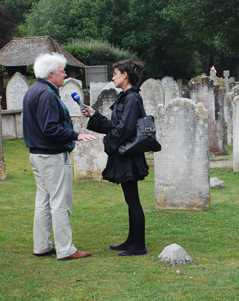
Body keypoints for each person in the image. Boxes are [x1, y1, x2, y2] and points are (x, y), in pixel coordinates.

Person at [23, 53, 96, 261]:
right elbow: (49, 128)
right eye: (63, 71)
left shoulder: (34, 90)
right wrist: (76, 134)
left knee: (43, 201)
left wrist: (66, 118)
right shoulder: (46, 94)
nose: (65, 74)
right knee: (60, 201)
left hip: (37, 154)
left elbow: (43, 121)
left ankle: (42, 245)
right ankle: (65, 249)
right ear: (51, 73)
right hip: (51, 155)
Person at [82, 59, 149, 256]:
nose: (113, 77)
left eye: (115, 73)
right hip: (124, 152)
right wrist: (94, 116)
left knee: (133, 199)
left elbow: (127, 129)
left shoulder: (132, 99)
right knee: (130, 199)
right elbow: (115, 127)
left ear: (125, 75)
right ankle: (132, 240)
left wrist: (109, 142)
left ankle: (139, 246)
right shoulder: (125, 97)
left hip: (129, 154)